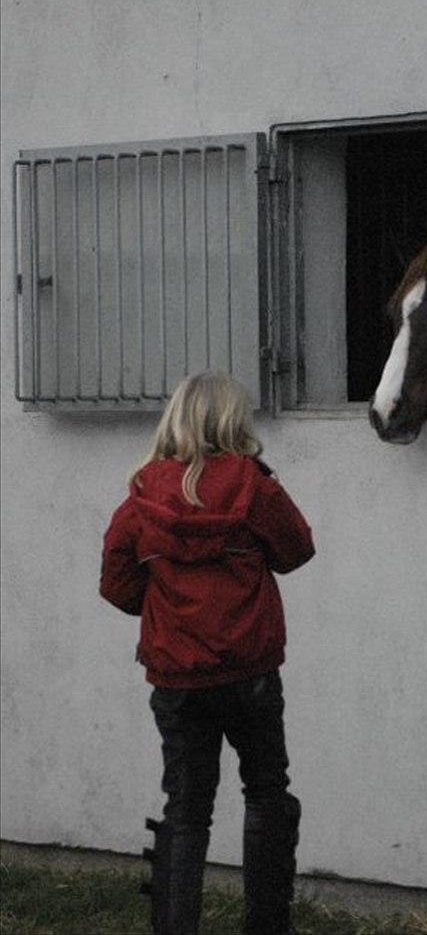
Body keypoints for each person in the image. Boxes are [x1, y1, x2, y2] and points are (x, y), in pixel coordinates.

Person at [100, 371, 315, 935]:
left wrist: (169, 608)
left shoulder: (142, 497)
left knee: (186, 810)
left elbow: (117, 586)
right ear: (231, 419)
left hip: (176, 678)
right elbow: (297, 551)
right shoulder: (255, 488)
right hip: (251, 672)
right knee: (267, 793)